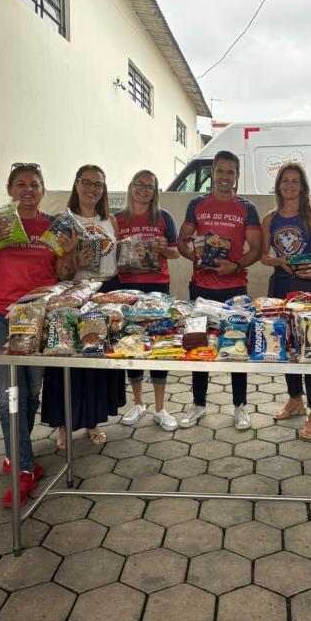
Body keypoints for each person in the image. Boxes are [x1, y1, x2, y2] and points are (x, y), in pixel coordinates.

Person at [0, 163, 77, 506]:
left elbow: (63, 275)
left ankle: (16, 454)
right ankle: (23, 469)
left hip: (36, 318)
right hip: (1, 316)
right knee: (6, 395)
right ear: (10, 190)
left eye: (34, 184)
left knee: (30, 392)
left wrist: (69, 253)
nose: (27, 190)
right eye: (20, 184)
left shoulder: (52, 227)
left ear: (43, 190)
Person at [41, 164, 125, 447]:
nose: (92, 189)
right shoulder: (61, 221)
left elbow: (117, 260)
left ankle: (93, 421)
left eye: (98, 184)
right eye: (86, 183)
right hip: (73, 295)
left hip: (106, 293)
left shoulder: (110, 221)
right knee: (66, 360)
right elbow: (57, 271)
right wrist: (74, 256)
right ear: (76, 185)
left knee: (96, 360)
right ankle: (64, 425)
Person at [177, 150, 262, 429]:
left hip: (235, 287)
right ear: (212, 173)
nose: (225, 177)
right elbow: (181, 241)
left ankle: (240, 405)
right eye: (220, 171)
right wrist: (196, 256)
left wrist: (235, 266)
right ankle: (198, 404)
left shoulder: (247, 208)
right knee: (197, 345)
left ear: (237, 176)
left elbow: (257, 249)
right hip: (201, 287)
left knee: (237, 347)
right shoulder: (197, 204)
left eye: (230, 172)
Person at [261, 162, 311, 440]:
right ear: (278, 185)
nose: (290, 185)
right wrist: (278, 261)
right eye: (285, 181)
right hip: (279, 285)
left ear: (303, 187)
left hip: (306, 289)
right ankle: (295, 400)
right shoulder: (270, 218)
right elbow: (262, 256)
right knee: (286, 345)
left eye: (295, 181)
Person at [116, 169, 179, 431]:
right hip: (128, 288)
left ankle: (160, 408)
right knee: (131, 345)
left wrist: (162, 247)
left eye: (150, 187)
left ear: (155, 192)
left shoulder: (163, 217)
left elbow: (175, 253)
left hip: (157, 287)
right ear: (131, 187)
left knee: (159, 345)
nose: (144, 189)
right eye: (140, 185)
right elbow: (112, 253)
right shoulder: (117, 219)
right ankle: (139, 403)